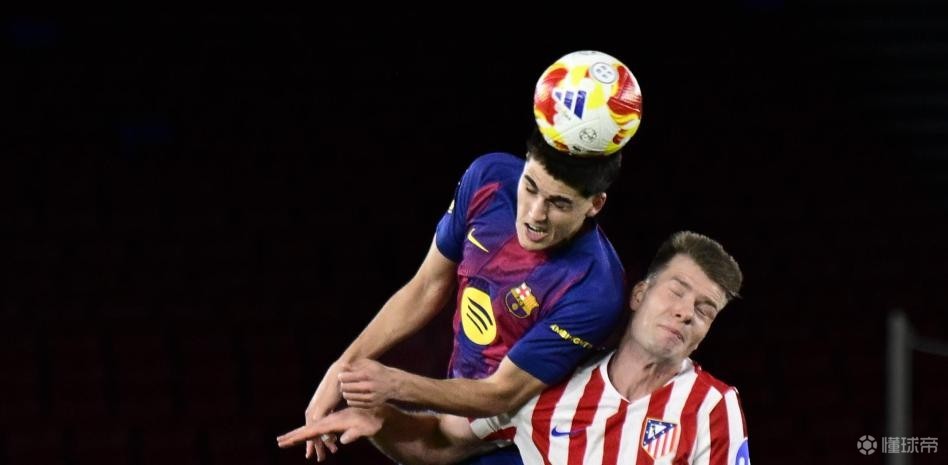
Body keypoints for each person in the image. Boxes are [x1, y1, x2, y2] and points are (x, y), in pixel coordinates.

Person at [300, 125, 628, 463]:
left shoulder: (595, 289)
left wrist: (394, 385)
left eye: (559, 203)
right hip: (460, 411)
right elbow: (427, 287)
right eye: (530, 187)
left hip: (526, 443)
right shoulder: (489, 179)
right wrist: (343, 366)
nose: (535, 215)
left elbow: (502, 393)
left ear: (595, 204)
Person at [279, 231, 750, 465]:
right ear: (640, 294)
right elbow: (441, 441)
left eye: (705, 309)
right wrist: (383, 420)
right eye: (677, 291)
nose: (686, 312)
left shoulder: (713, 407)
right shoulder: (550, 386)